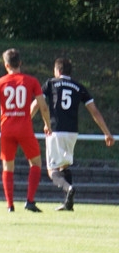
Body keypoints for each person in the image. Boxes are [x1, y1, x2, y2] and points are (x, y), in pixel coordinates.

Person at [0, 48, 53, 213]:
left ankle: (9, 205)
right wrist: (47, 125)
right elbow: (43, 106)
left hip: (6, 129)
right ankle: (29, 200)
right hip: (25, 129)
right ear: (20, 63)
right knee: (35, 163)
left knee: (8, 166)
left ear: (6, 65)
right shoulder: (31, 81)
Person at [38, 57, 114, 210]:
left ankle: (69, 188)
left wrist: (27, 120)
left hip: (55, 130)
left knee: (52, 171)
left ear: (57, 71)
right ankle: (69, 204)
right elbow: (94, 111)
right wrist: (107, 133)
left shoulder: (51, 83)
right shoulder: (79, 87)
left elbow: (37, 104)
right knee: (64, 167)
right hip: (72, 132)